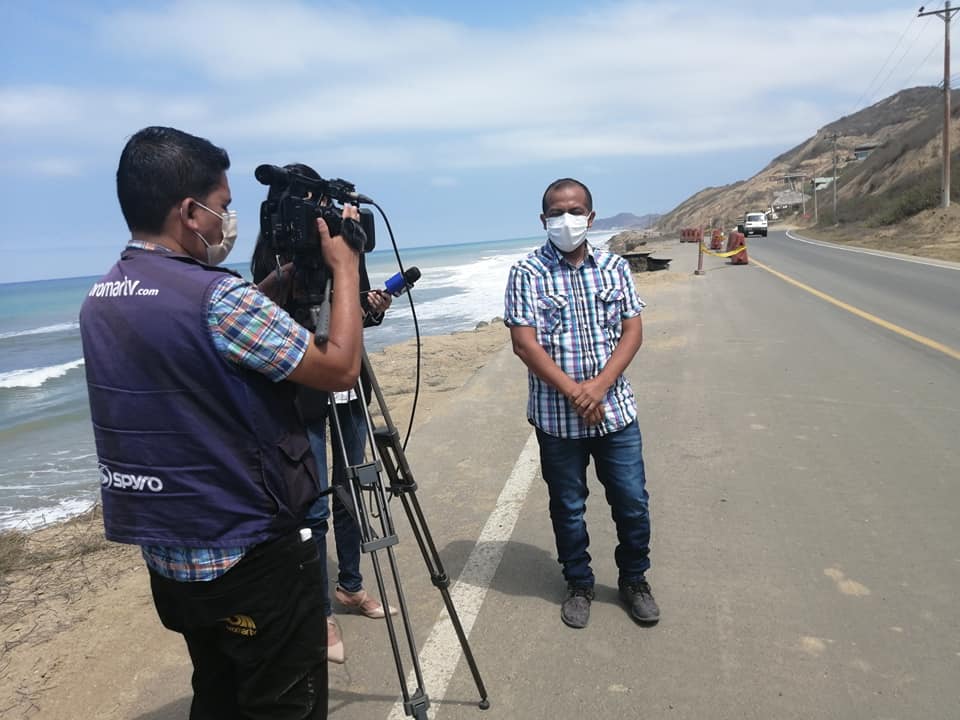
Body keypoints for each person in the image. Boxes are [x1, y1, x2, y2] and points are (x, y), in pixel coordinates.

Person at [79, 126, 363, 719]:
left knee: (216, 691)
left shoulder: (102, 298)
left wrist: (269, 290)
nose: (226, 221)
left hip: (168, 552)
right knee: (284, 704)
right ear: (190, 212)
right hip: (247, 552)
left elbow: (191, 349)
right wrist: (345, 269)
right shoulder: (219, 299)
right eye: (223, 206)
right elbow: (339, 368)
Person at [250, 167, 396, 666]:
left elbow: (354, 319)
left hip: (349, 391)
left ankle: (350, 586)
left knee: (353, 489)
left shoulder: (344, 245)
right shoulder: (273, 253)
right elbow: (266, 324)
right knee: (311, 507)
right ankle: (319, 613)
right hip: (301, 396)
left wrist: (372, 305)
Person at [503, 177, 659, 630]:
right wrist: (576, 392)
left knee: (632, 502)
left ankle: (634, 580)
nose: (566, 220)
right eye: (556, 213)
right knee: (568, 507)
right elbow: (524, 344)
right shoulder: (526, 272)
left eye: (574, 211)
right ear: (543, 220)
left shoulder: (614, 267)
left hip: (615, 413)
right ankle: (578, 583)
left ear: (590, 217)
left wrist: (600, 386)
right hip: (557, 420)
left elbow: (632, 331)